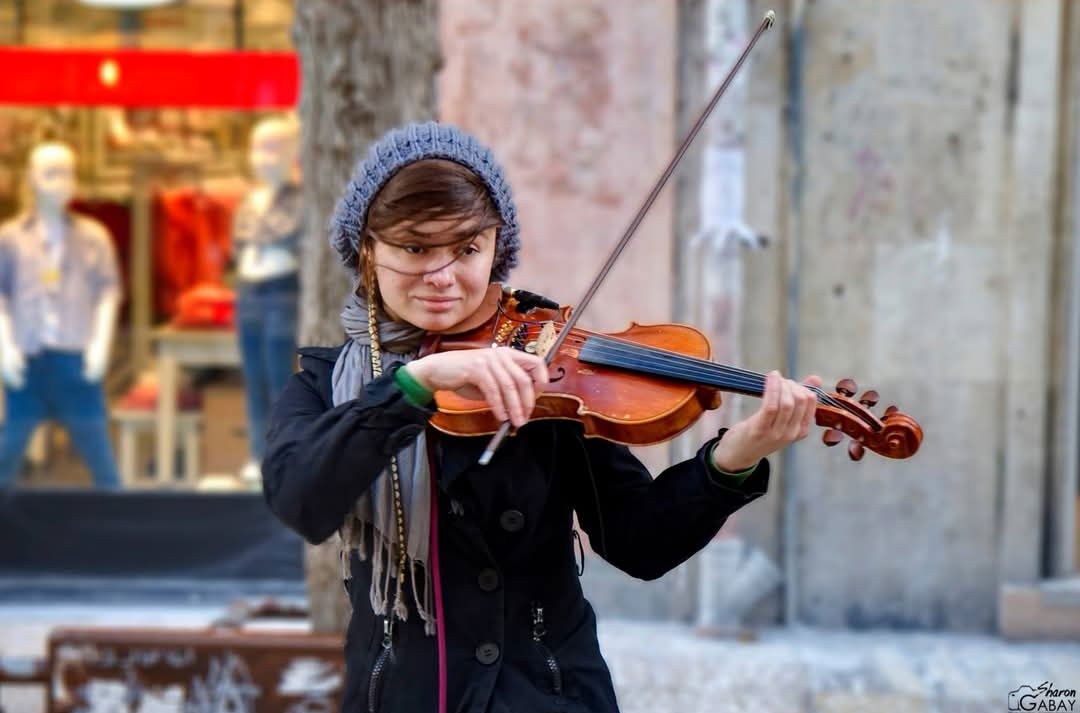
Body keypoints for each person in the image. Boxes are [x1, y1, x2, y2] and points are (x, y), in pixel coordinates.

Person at [262, 122, 821, 713]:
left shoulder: (544, 366)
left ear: (496, 247)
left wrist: (733, 459)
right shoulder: (328, 382)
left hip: (543, 696)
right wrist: (414, 386)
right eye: (415, 248)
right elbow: (299, 499)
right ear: (369, 250)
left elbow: (641, 543)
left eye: (467, 249)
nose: (442, 277)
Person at [0, 142, 122, 490]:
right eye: (50, 173)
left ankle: (118, 518)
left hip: (75, 361)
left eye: (67, 172)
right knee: (8, 452)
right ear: (31, 178)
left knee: (100, 458)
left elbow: (108, 293)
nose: (60, 181)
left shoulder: (94, 237)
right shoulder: (10, 238)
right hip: (28, 361)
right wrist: (5, 348)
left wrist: (100, 345)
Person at [233, 116, 304, 484]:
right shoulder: (250, 201)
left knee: (279, 377)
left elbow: (299, 244)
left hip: (282, 292)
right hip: (249, 293)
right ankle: (257, 453)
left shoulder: (300, 202)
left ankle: (281, 454)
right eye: (258, 148)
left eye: (273, 149)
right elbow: (240, 245)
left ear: (292, 153)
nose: (263, 157)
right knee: (253, 377)